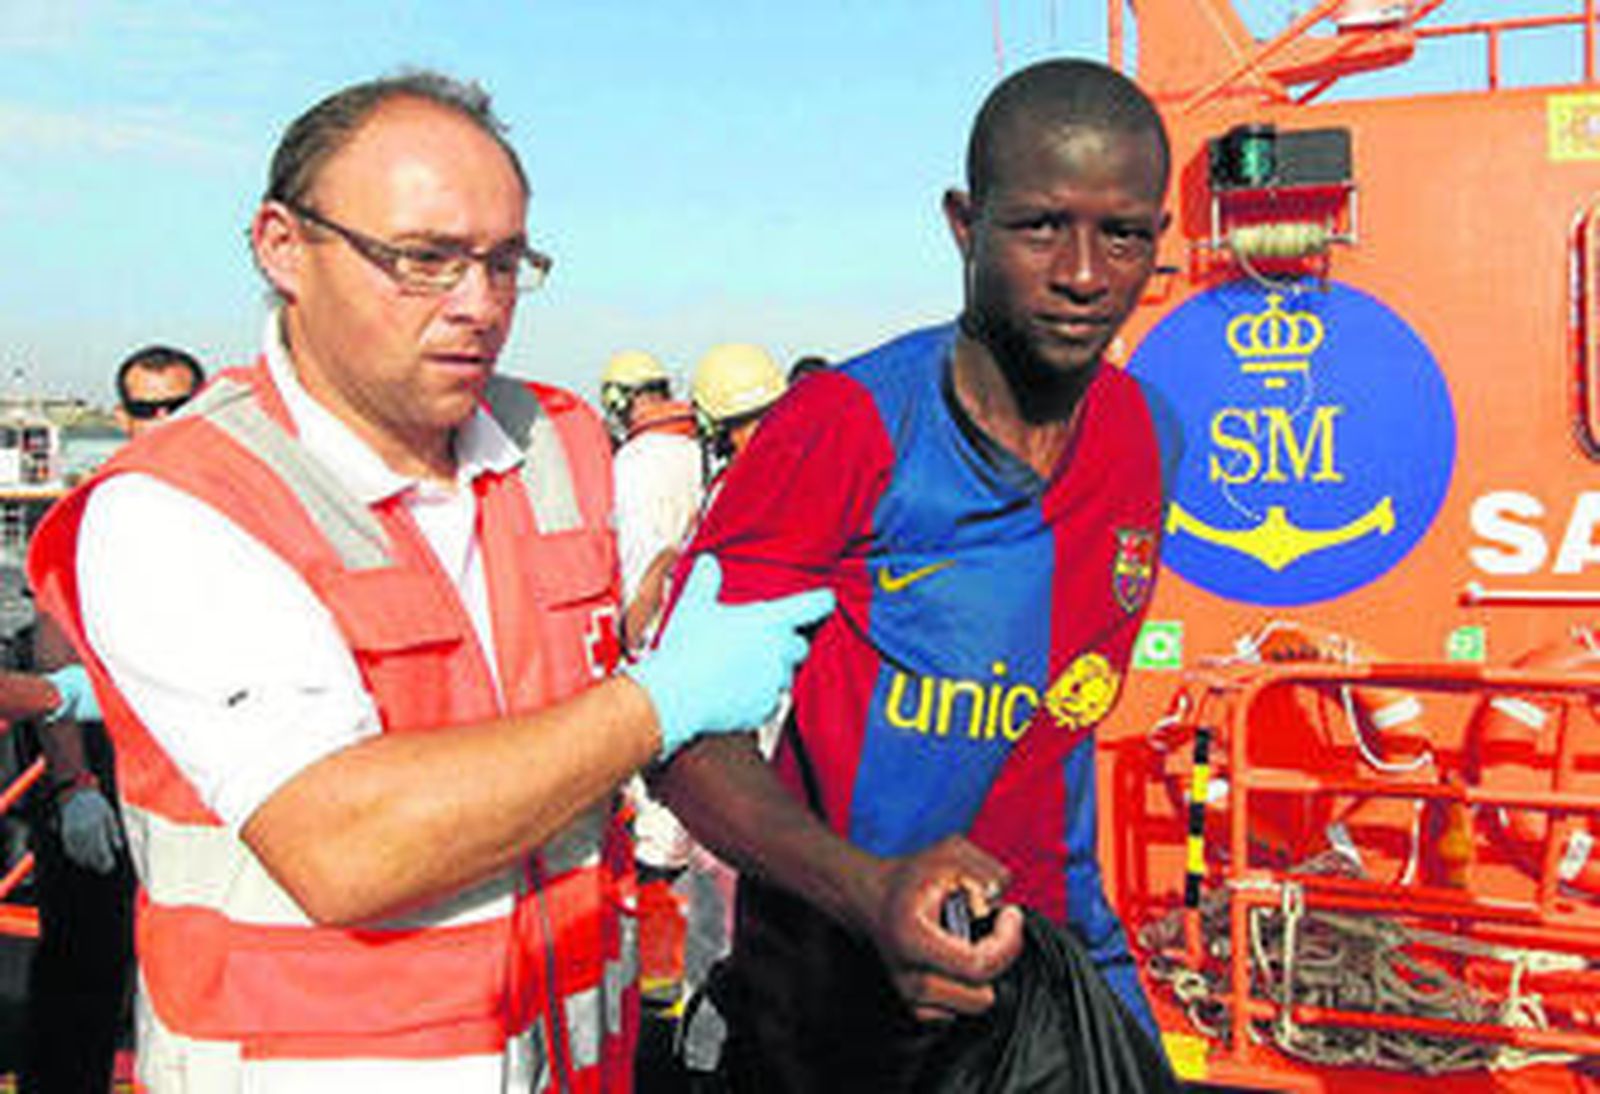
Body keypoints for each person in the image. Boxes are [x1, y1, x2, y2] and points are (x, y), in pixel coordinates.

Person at [27, 70, 831, 1093]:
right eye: (423, 259)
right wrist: (658, 698)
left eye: (506, 262)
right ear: (283, 246)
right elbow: (343, 842)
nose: (478, 304)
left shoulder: (560, 440)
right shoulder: (179, 504)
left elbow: (602, 677)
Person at [654, 58, 1176, 1088]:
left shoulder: (1147, 434)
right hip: (836, 1004)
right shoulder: (842, 430)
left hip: (1060, 976)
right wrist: (867, 887)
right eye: (1039, 226)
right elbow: (679, 736)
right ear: (962, 224)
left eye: (1123, 232)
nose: (1082, 271)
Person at [18, 343, 205, 1094]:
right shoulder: (91, 510)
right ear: (123, 416)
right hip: (104, 766)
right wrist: (73, 788)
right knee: (81, 979)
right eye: (144, 408)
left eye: (175, 405)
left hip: (200, 769)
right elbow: (53, 650)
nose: (159, 421)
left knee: (194, 976)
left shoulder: (234, 509)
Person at [603, 350, 702, 655]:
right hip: (697, 618)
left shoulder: (632, 461)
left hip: (654, 634)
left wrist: (631, 635)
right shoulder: (699, 449)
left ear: (619, 400)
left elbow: (641, 555)